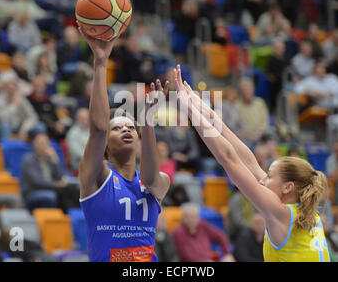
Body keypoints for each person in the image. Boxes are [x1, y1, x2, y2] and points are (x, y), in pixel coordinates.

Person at [174, 65, 330, 262]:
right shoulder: (308, 214)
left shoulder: (281, 213)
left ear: (288, 187)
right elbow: (249, 160)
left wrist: (189, 110)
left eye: (270, 176)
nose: (263, 180)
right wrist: (205, 109)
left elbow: (229, 159)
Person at [77, 25, 170, 262]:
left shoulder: (159, 182)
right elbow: (97, 129)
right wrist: (101, 62)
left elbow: (149, 179)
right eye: (117, 128)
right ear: (106, 145)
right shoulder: (96, 175)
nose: (126, 129)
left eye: (130, 127)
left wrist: (148, 120)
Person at [21, 133, 80, 212]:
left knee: (75, 190)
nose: (43, 146)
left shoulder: (50, 160)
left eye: (46, 143)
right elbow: (37, 182)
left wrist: (55, 160)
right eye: (41, 143)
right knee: (52, 195)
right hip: (34, 191)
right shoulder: (28, 160)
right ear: (34, 145)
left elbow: (61, 176)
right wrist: (56, 184)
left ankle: (72, 218)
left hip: (53, 188)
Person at [234, 77, 269, 145]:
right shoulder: (236, 106)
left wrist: (258, 134)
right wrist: (245, 135)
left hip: (260, 138)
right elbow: (234, 127)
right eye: (244, 89)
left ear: (253, 89)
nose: (246, 91)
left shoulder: (260, 103)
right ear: (241, 91)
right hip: (242, 140)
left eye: (249, 89)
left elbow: (265, 124)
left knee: (271, 146)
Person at [66, 108, 90, 172]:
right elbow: (76, 152)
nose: (85, 121)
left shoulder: (91, 130)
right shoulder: (72, 133)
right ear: (77, 119)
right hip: (78, 161)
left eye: (86, 118)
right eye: (82, 118)